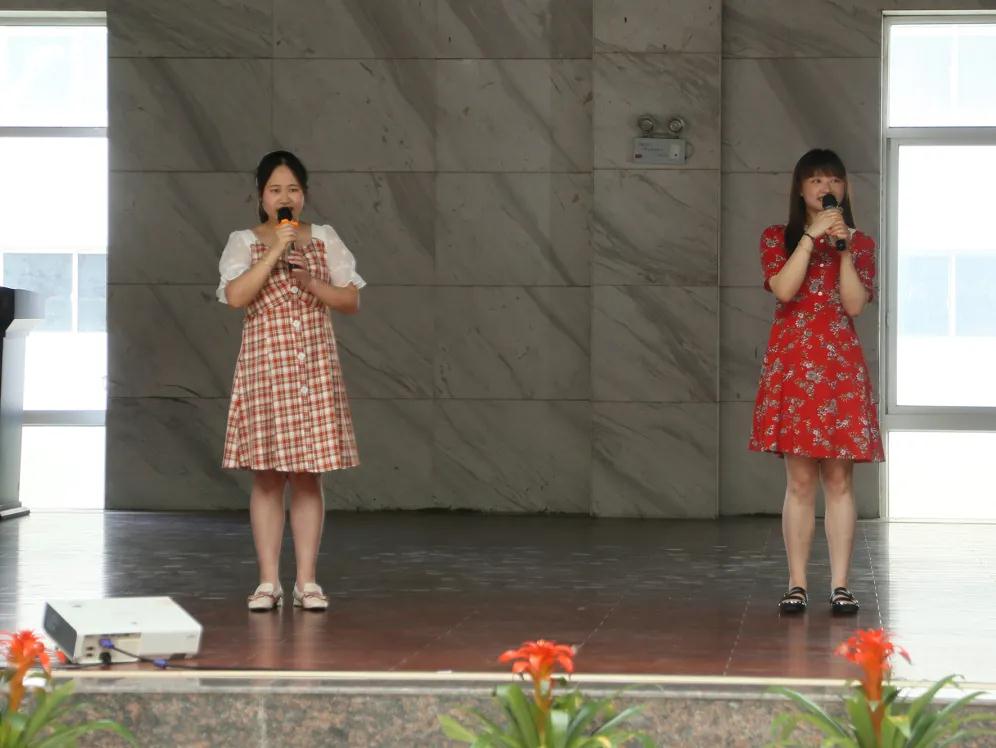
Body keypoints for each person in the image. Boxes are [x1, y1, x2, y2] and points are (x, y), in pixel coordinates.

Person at [216, 150, 365, 611]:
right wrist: (276, 250)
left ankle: (306, 582)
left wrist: (311, 284)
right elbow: (236, 296)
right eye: (276, 189)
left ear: (305, 194)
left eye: (293, 189)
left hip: (312, 366)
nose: (286, 198)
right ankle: (268, 582)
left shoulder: (324, 238)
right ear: (261, 196)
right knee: (266, 475)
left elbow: (351, 301)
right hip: (265, 368)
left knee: (307, 474)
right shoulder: (243, 242)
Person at [749, 148, 884, 615]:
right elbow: (785, 289)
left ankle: (841, 585)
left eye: (835, 180)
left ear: (845, 188)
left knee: (840, 480)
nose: (827, 188)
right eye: (816, 181)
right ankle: (797, 583)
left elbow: (854, 305)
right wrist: (810, 238)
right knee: (801, 480)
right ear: (801, 189)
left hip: (839, 367)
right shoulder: (778, 237)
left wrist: (843, 249)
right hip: (794, 363)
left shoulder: (861, 244)